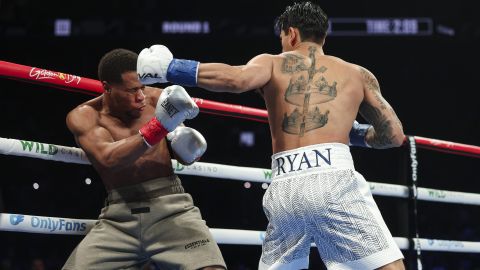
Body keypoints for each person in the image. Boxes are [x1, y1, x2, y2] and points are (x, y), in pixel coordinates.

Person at [137, 2, 406, 270]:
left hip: (285, 185)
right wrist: (354, 135)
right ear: (323, 35)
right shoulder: (357, 74)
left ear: (292, 34)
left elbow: (235, 79)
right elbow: (393, 135)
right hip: (335, 178)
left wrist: (169, 68)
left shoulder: (273, 63)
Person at [63, 48, 226, 270]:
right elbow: (107, 158)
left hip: (172, 208)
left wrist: (188, 144)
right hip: (118, 218)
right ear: (107, 87)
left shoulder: (157, 98)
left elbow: (186, 157)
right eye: (131, 90)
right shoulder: (85, 116)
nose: (141, 96)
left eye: (142, 87)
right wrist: (158, 127)